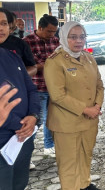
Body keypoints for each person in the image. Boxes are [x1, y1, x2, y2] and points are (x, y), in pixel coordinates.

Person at [44, 21, 104, 190]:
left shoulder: (89, 58)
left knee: (86, 155)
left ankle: (84, 184)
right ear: (63, 37)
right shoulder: (55, 61)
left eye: (82, 37)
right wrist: (86, 110)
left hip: (89, 121)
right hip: (66, 123)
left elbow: (99, 85)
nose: (79, 41)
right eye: (73, 37)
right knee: (69, 163)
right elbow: (58, 96)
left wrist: (97, 106)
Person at [0, 9, 40, 190]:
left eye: (3, 23)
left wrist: (33, 116)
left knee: (19, 184)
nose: (1, 28)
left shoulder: (13, 57)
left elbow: (31, 89)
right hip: (4, 138)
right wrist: (20, 125)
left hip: (22, 139)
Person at [24, 14, 60, 156]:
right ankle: (25, 153)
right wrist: (42, 66)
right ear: (40, 27)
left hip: (54, 87)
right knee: (36, 120)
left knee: (52, 119)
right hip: (36, 88)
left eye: (54, 32)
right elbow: (26, 66)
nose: (52, 35)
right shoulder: (27, 42)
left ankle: (49, 146)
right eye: (49, 31)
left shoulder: (56, 41)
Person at [0, 8, 37, 77]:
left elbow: (33, 67)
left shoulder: (20, 44)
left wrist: (18, 76)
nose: (0, 28)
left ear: (10, 26)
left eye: (4, 23)